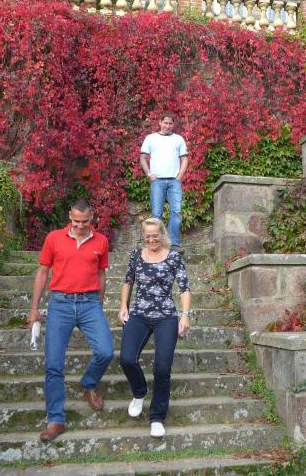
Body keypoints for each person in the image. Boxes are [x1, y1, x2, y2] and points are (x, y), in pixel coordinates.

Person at [28, 199, 114, 442]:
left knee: (106, 351)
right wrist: (34, 309)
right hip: (60, 304)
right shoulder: (54, 238)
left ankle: (88, 383)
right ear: (69, 216)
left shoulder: (101, 241)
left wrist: (99, 304)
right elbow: (42, 272)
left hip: (90, 303)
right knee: (54, 365)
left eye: (84, 222)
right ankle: (56, 419)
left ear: (92, 217)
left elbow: (101, 274)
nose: (80, 226)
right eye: (76, 221)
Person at [118, 217, 192, 438]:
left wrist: (185, 315)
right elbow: (128, 281)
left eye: (155, 236)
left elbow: (184, 288)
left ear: (162, 235)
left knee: (162, 367)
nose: (151, 240)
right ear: (144, 236)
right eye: (147, 236)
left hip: (166, 317)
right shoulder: (136, 255)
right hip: (139, 314)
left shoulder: (174, 257)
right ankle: (139, 392)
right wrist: (123, 306)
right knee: (127, 359)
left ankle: (157, 417)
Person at [140, 113, 188, 252]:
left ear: (173, 124)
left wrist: (179, 176)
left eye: (170, 123)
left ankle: (174, 243)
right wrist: (149, 174)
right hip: (157, 181)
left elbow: (185, 159)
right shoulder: (151, 138)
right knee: (156, 215)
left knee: (176, 212)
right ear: (160, 122)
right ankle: (158, 244)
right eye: (165, 123)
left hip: (174, 181)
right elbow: (143, 157)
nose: (167, 126)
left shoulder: (178, 139)